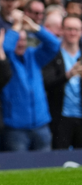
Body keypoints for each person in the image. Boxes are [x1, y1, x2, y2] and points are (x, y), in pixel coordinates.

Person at [0, 11, 60, 151]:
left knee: (46, 170)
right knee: (19, 171)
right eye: (18, 40)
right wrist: (15, 28)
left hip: (41, 124)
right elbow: (4, 49)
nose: (21, 43)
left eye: (24, 40)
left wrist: (36, 28)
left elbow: (54, 45)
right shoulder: (6, 60)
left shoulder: (33, 55)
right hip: (16, 128)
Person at [43, 15, 82, 149]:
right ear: (62, 30)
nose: (73, 33)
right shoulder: (54, 54)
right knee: (60, 160)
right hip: (61, 116)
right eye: (70, 29)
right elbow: (47, 83)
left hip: (80, 115)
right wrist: (68, 75)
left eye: (77, 29)